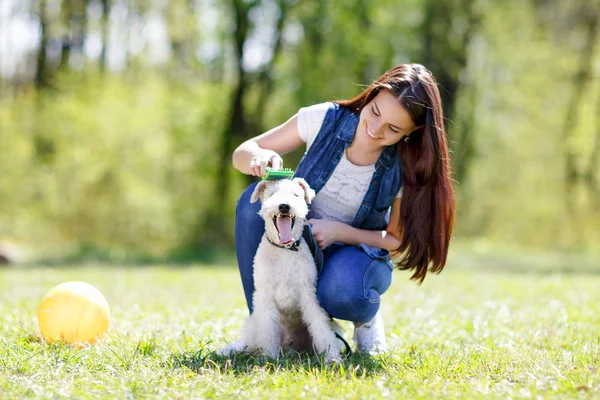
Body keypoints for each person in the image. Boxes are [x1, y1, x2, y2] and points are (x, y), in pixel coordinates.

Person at [223, 63, 455, 355]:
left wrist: (341, 233)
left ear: (413, 130)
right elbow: (241, 153)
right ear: (371, 95)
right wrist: (260, 155)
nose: (374, 129)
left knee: (345, 292)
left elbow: (395, 242)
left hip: (354, 257)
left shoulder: (405, 164)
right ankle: (267, 329)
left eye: (393, 129)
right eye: (375, 113)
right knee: (250, 204)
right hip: (298, 244)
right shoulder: (324, 118)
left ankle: (366, 321)